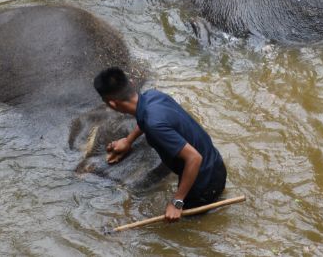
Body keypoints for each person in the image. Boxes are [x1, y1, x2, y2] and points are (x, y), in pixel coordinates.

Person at [93, 67, 227, 222]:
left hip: (204, 186)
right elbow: (149, 120)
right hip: (217, 166)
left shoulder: (153, 124)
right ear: (131, 82)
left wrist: (177, 202)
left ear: (112, 104)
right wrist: (128, 140)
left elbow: (194, 158)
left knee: (184, 230)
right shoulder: (153, 96)